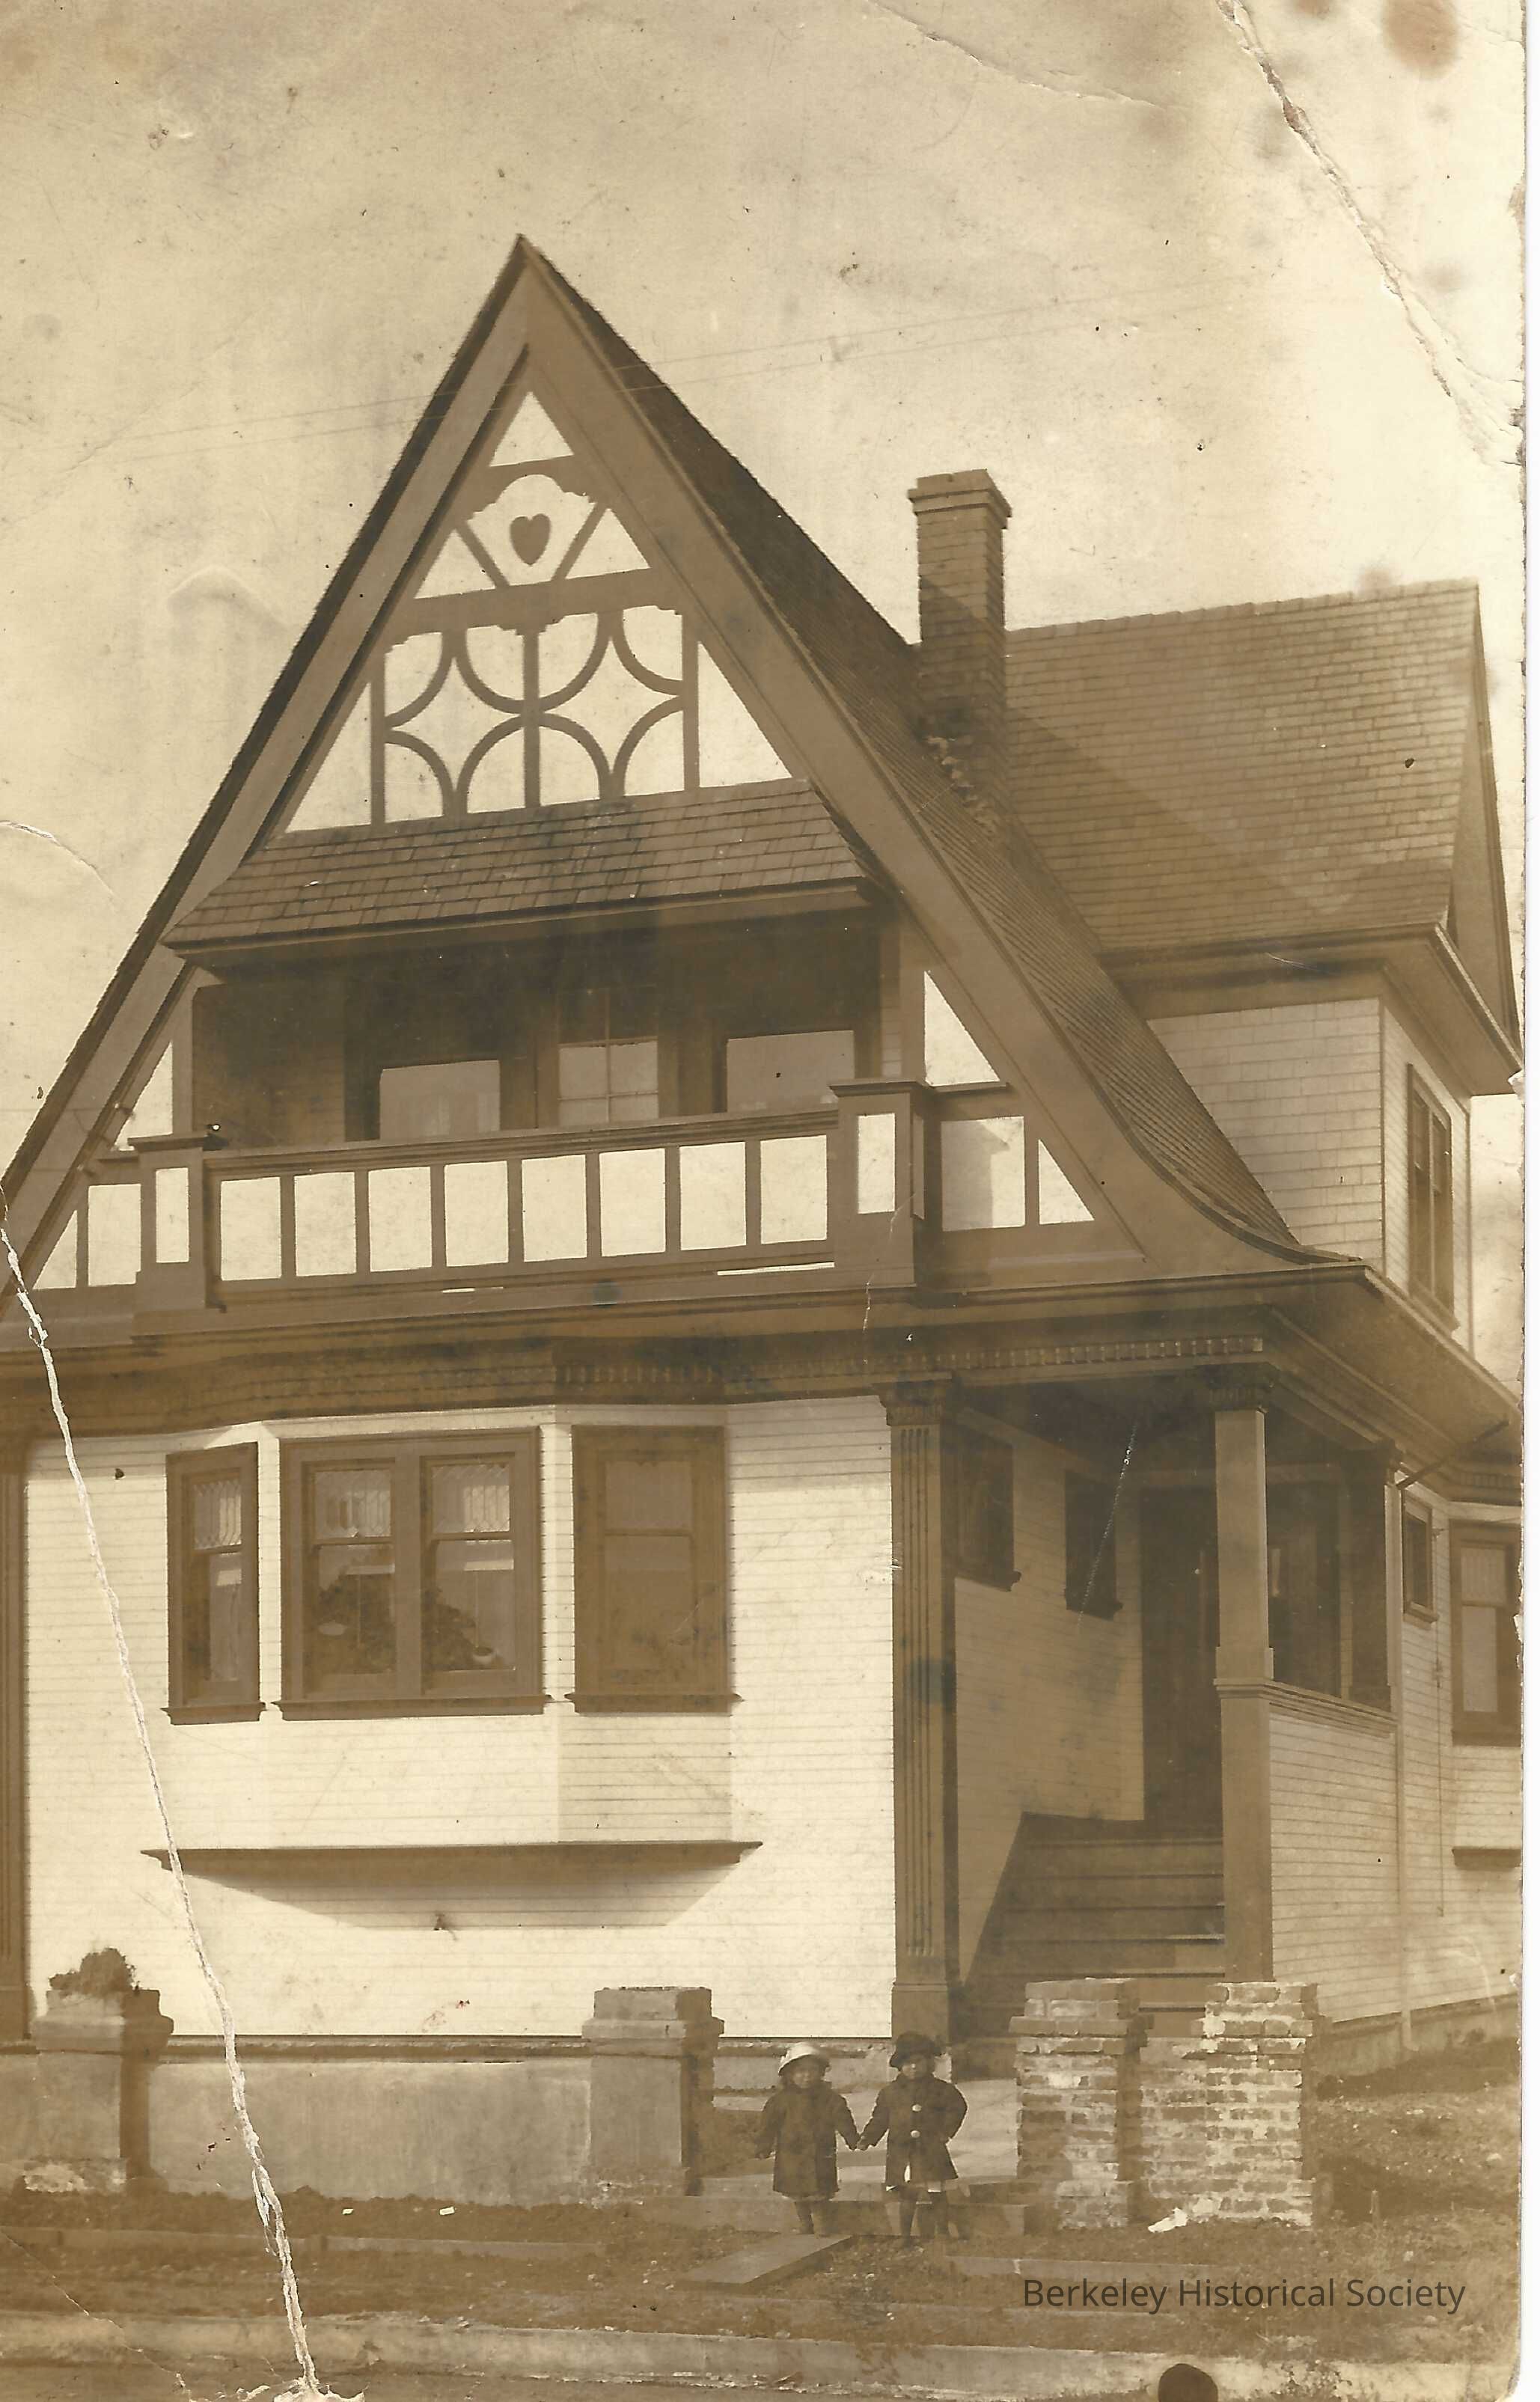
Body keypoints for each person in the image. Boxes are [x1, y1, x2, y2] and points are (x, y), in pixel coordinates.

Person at [860, 2031, 970, 2241]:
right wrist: (868, 2137)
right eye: (908, 2063)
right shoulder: (890, 2092)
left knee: (937, 2193)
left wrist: (945, 2131)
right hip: (902, 2151)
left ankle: (943, 2232)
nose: (913, 2067)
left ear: (929, 2063)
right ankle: (905, 2236)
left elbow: (957, 2108)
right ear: (899, 2066)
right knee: (907, 2195)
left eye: (919, 2062)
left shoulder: (941, 2089)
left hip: (931, 2149)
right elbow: (880, 2118)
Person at [753, 2041, 861, 2233]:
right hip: (791, 2153)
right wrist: (763, 2146)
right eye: (801, 2071)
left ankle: (822, 2224)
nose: (807, 2076)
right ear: (789, 2074)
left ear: (822, 2073)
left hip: (820, 2153)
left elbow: (843, 2120)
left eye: (813, 2071)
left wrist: (853, 2139)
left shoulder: (830, 2099)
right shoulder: (780, 2101)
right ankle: (805, 2224)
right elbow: (768, 2126)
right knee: (797, 2191)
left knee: (820, 2191)